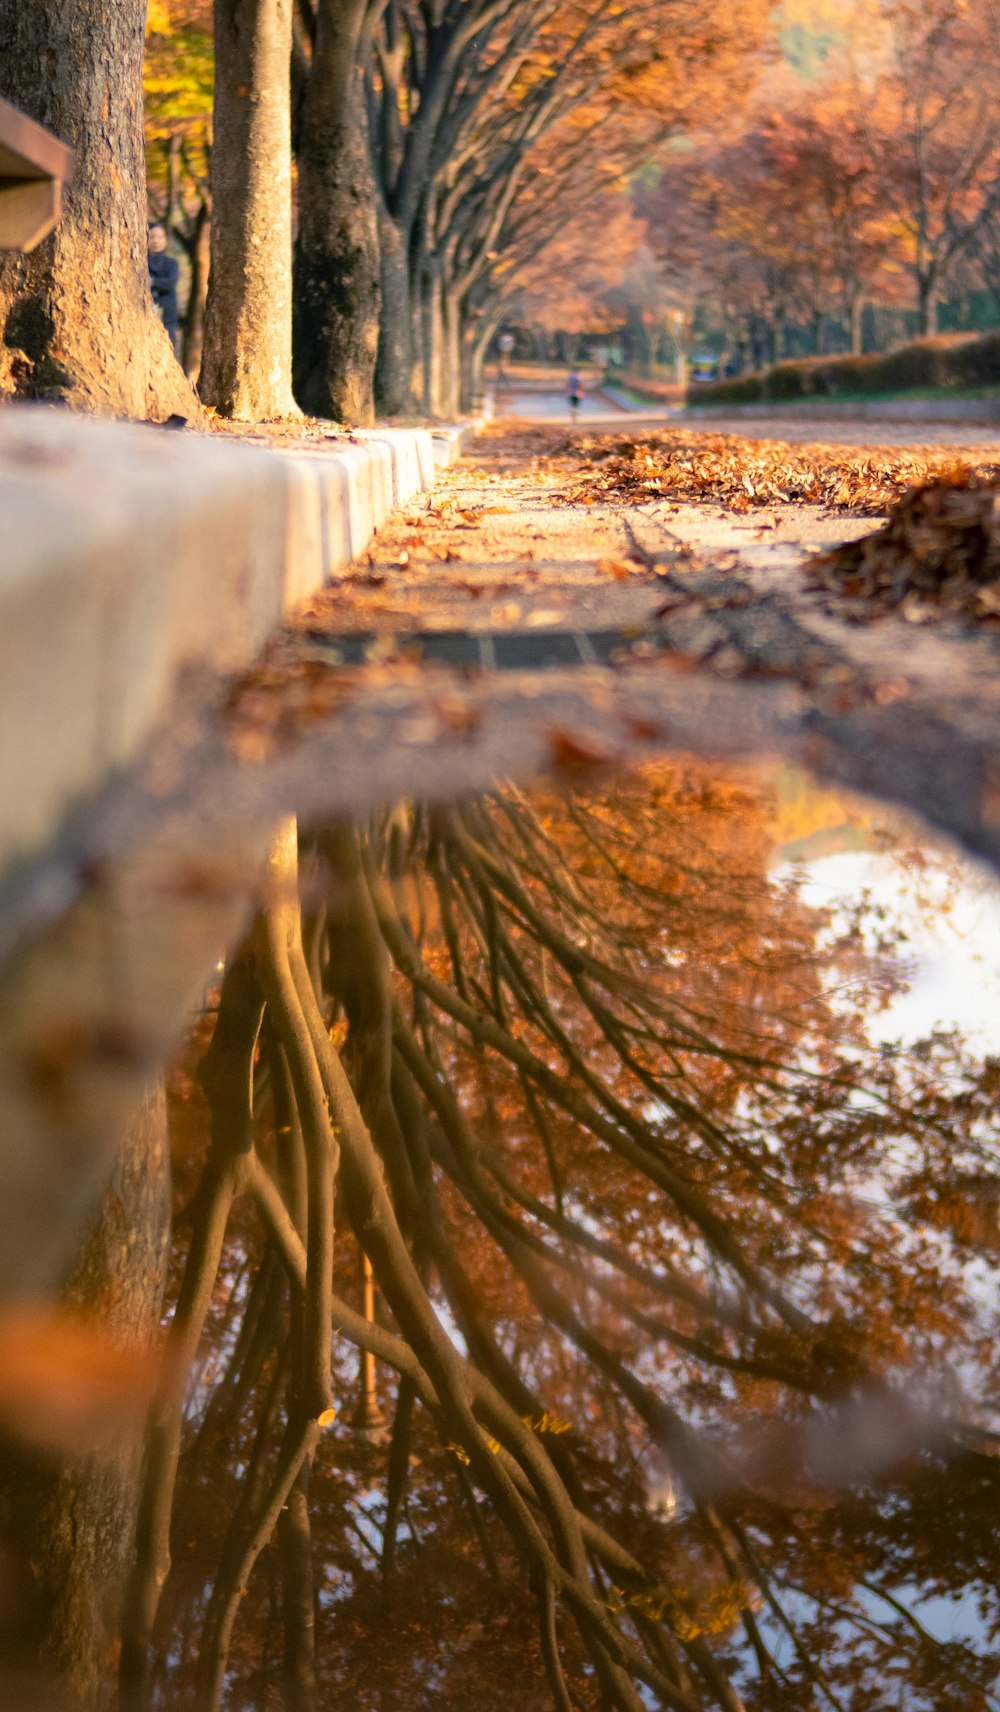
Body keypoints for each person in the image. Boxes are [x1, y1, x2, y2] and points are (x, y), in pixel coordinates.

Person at [147, 222, 180, 357]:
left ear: (166, 241)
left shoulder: (171, 264)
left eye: (160, 237)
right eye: (152, 237)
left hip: (167, 314)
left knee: (168, 348)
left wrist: (151, 281)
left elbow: (170, 283)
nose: (156, 241)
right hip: (145, 311)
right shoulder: (139, 260)